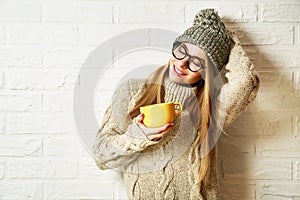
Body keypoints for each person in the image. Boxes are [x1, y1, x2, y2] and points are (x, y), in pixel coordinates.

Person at [93, 8, 260, 200]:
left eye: (196, 62)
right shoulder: (132, 90)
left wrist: (226, 37)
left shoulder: (211, 107)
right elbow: (101, 157)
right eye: (181, 51)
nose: (182, 64)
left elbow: (245, 81)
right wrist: (138, 135)